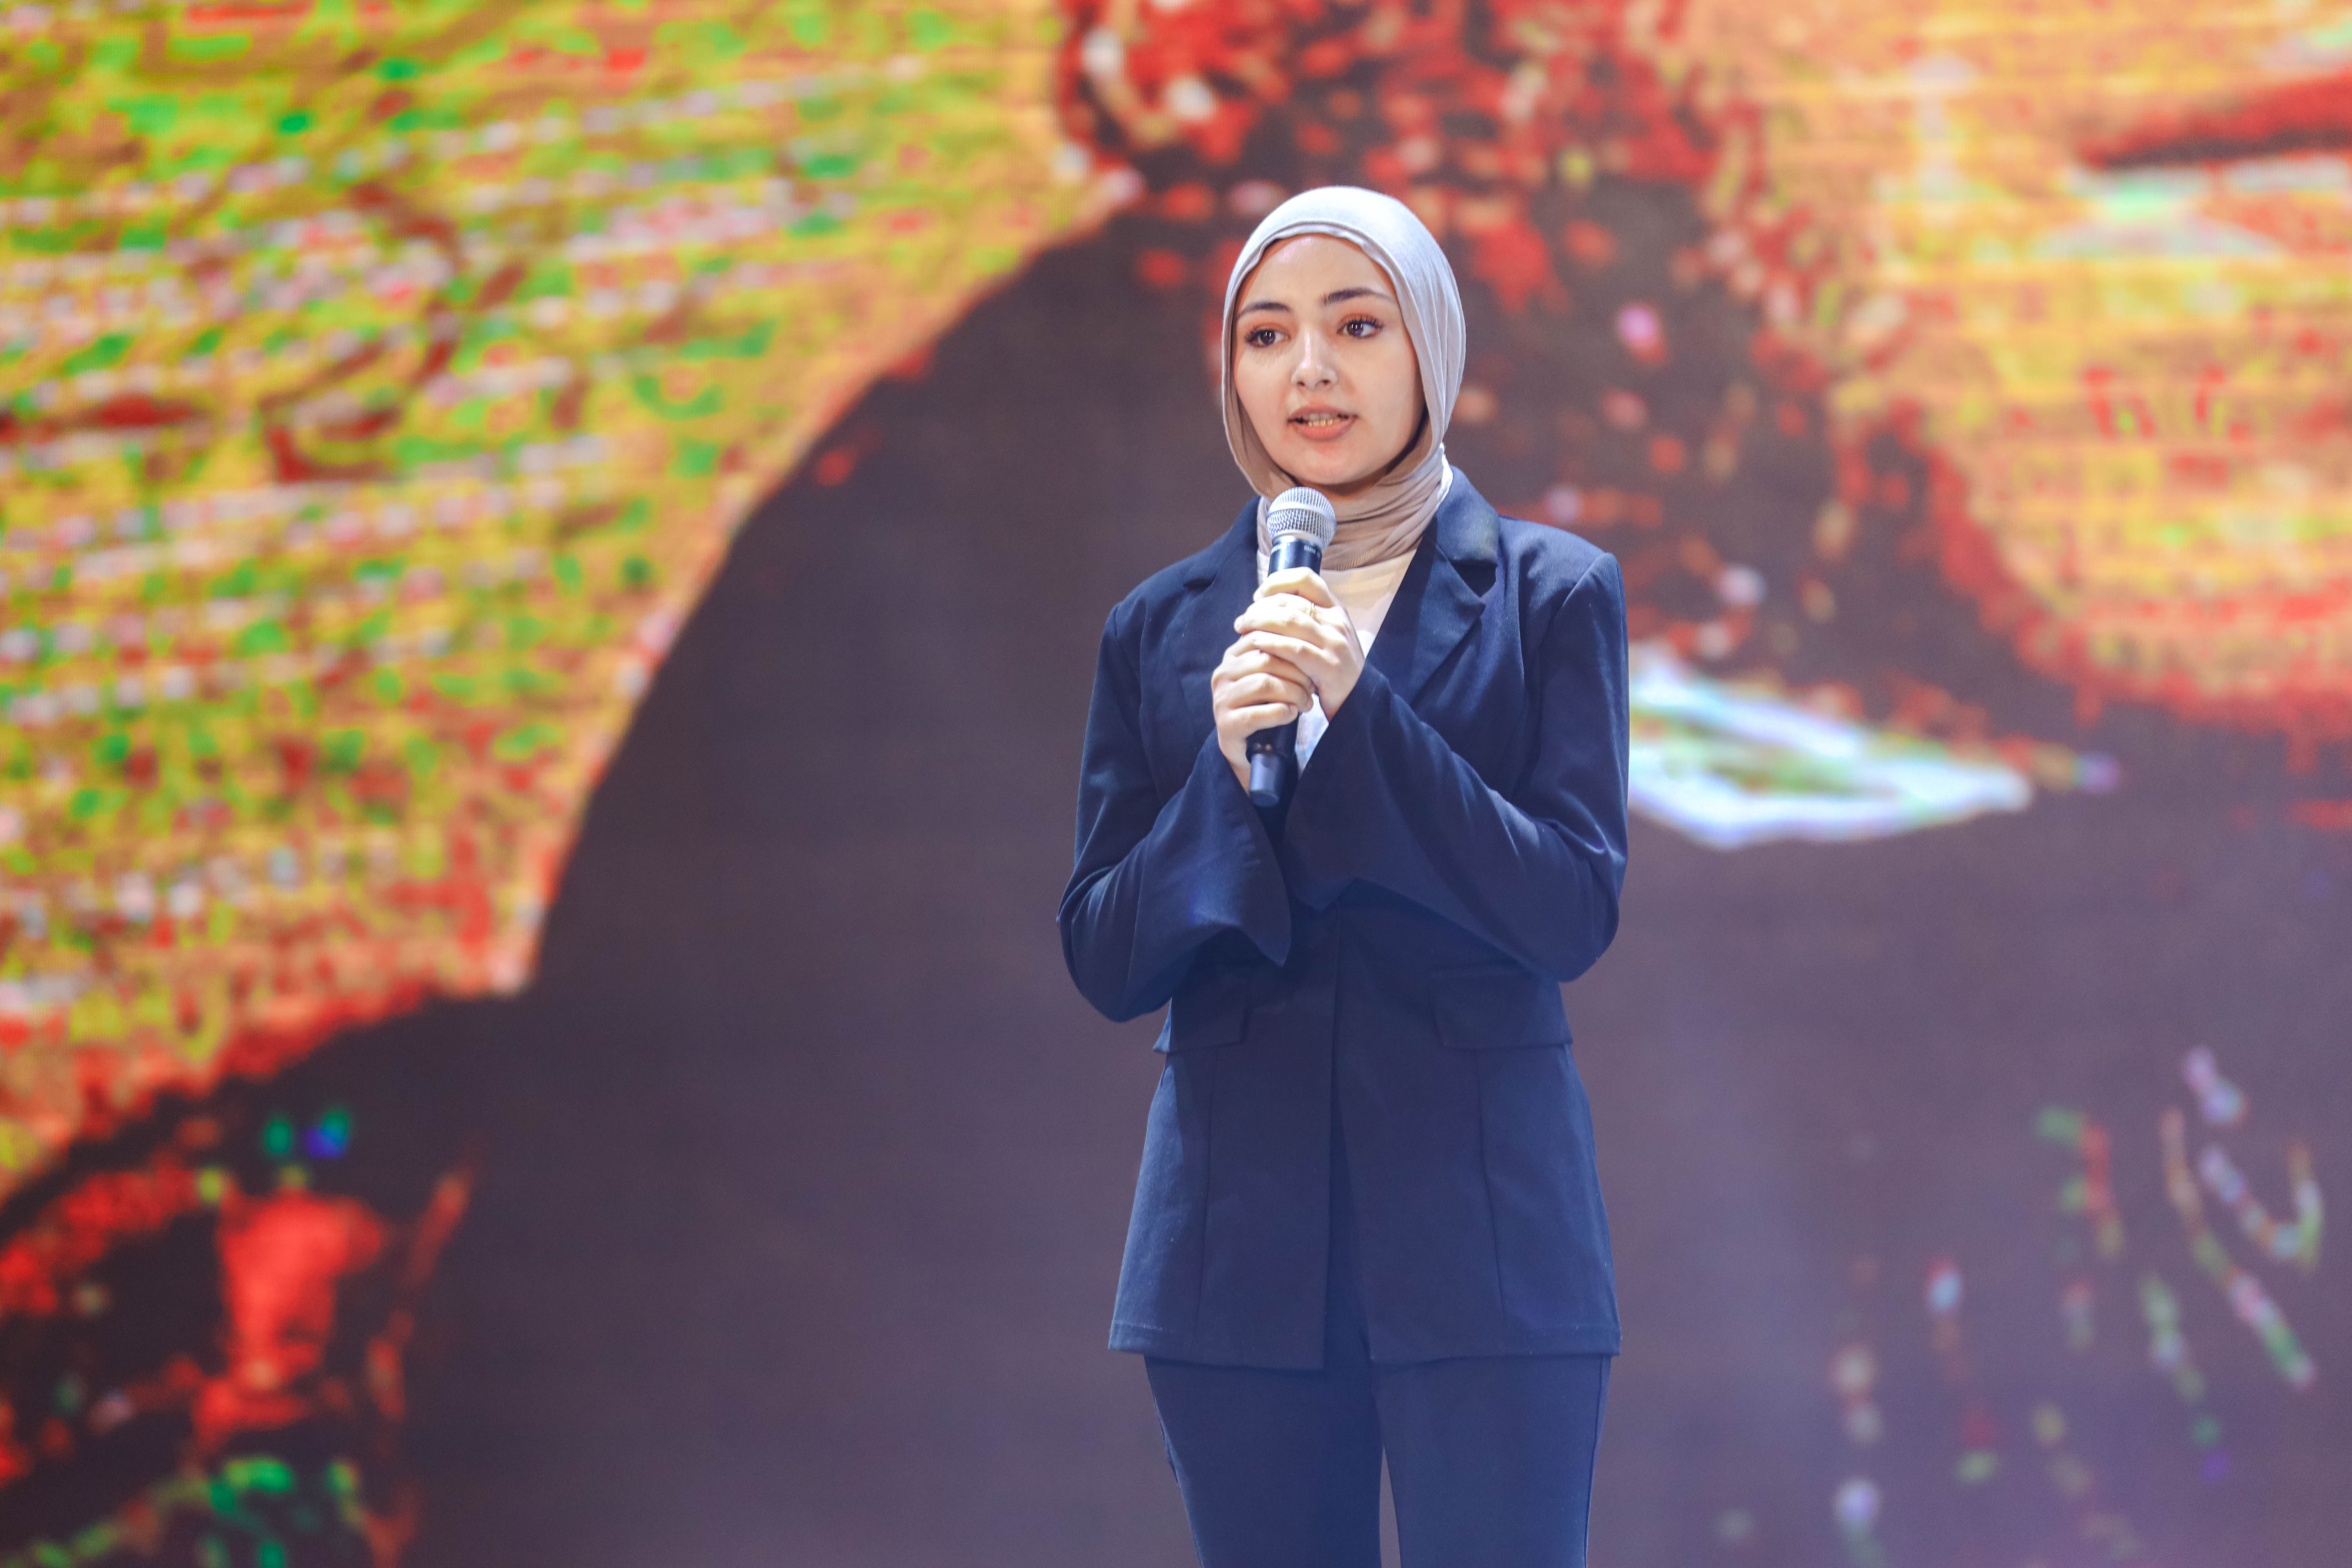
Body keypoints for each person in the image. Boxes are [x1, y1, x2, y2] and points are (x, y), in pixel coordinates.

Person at [1057, 186, 1632, 1567]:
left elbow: (1568, 907)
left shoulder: (1549, 592)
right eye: (1266, 335)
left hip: (1487, 1247)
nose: (1307, 369)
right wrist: (1221, 773)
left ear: (1430, 346)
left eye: (1356, 325)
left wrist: (1362, 717)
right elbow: (1106, 954)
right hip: (1234, 1261)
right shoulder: (1163, 628)